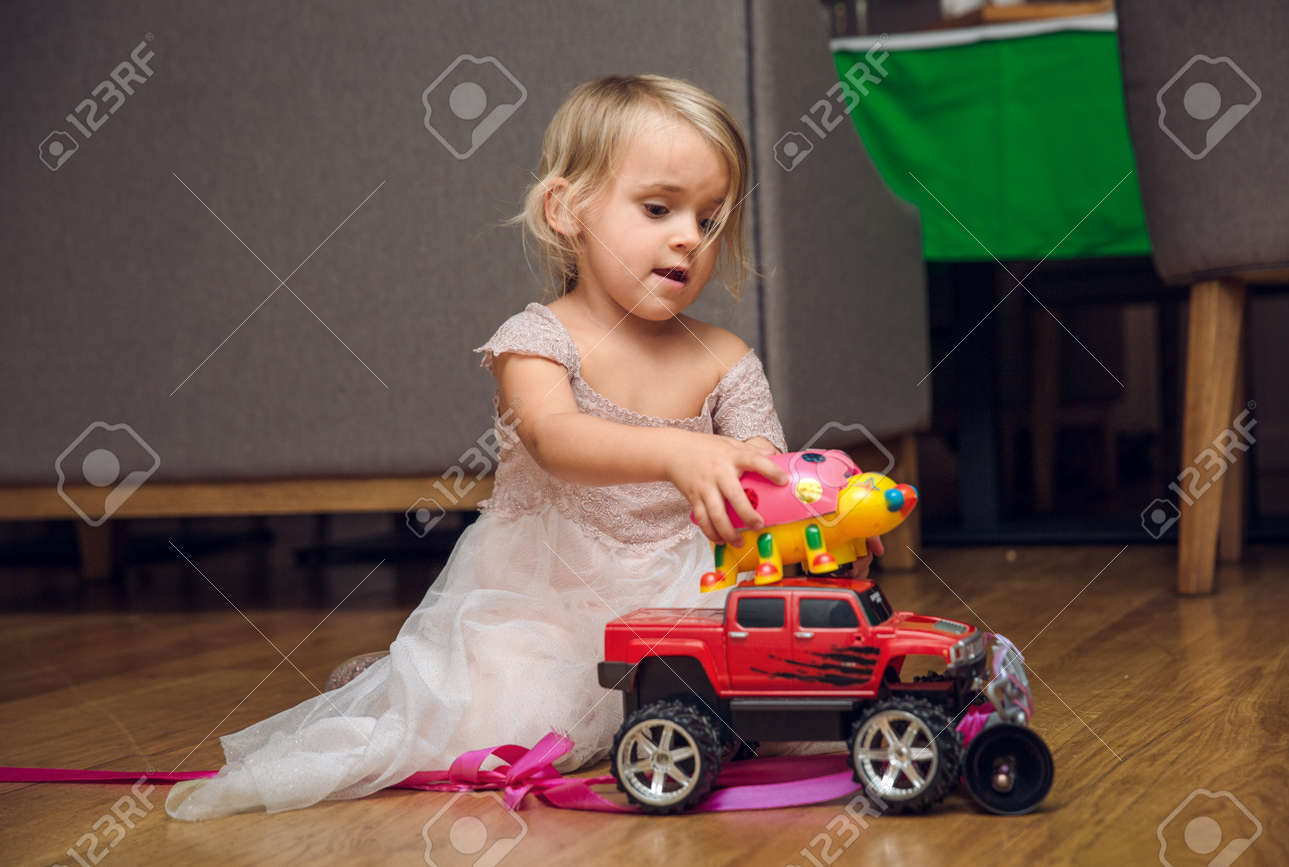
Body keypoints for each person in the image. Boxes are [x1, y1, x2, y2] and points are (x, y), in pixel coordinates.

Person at [166, 74, 879, 820]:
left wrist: (821, 527)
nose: (689, 237)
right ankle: (401, 678)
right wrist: (679, 453)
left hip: (687, 592)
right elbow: (554, 437)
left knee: (793, 693)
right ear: (565, 209)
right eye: (658, 208)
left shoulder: (725, 359)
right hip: (545, 600)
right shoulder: (536, 340)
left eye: (710, 218)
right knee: (500, 722)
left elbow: (770, 477)